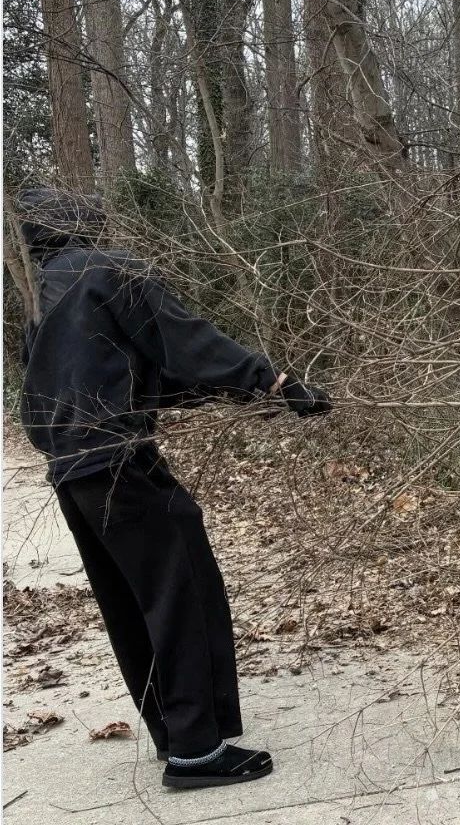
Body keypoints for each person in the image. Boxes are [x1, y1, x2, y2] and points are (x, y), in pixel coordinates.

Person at [15, 186, 333, 789]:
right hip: (119, 465)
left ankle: (179, 731)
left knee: (134, 604)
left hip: (75, 474)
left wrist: (243, 392)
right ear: (85, 222)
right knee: (179, 590)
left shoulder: (45, 302)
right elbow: (184, 339)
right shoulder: (108, 270)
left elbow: (130, 379)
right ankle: (194, 753)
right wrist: (273, 380)